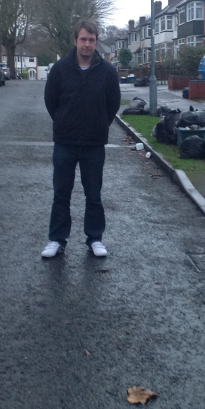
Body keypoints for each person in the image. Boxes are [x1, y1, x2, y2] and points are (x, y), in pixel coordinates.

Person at [42, 19, 121, 258]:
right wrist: (63, 121)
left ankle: (95, 238)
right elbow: (51, 101)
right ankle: (56, 240)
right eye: (83, 39)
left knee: (93, 194)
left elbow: (113, 103)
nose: (87, 44)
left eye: (92, 40)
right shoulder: (59, 69)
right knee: (61, 193)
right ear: (75, 40)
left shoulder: (107, 72)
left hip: (94, 144)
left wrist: (100, 124)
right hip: (65, 142)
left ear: (96, 42)